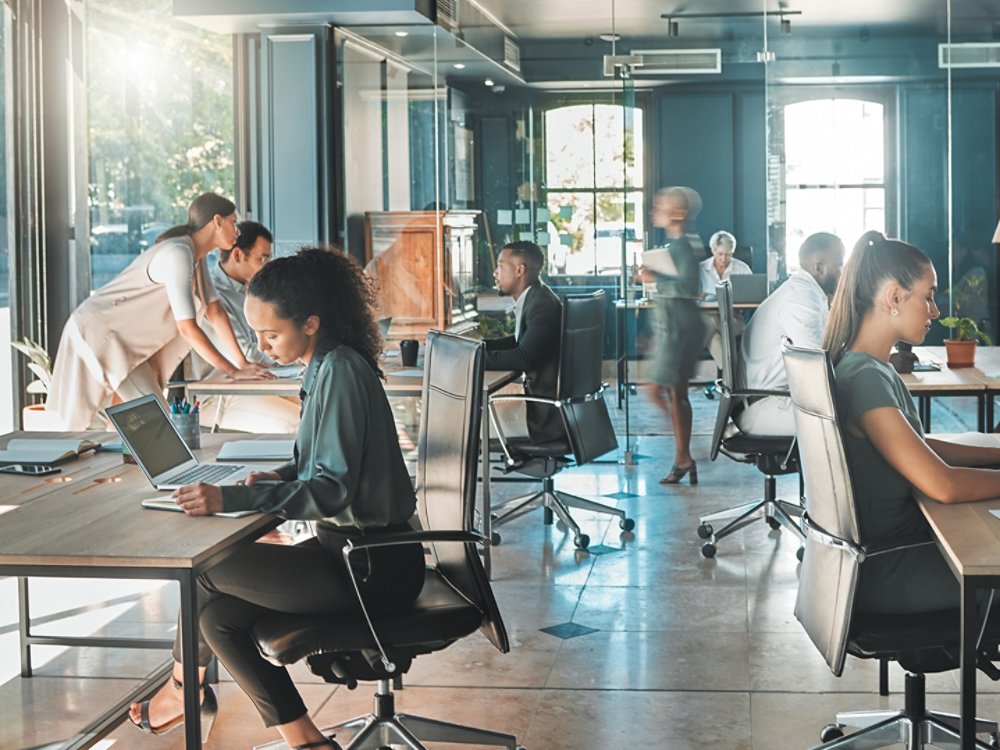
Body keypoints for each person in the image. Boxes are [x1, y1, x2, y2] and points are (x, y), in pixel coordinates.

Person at [128, 247, 423, 750]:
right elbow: (325, 463)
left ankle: (182, 692)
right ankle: (305, 740)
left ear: (310, 322)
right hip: (352, 553)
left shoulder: (341, 372)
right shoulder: (328, 363)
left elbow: (332, 488)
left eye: (271, 334)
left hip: (373, 566)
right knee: (218, 618)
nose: (262, 348)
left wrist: (232, 500)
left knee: (199, 571)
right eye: (256, 334)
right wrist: (278, 475)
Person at [823, 230, 1000, 614]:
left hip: (901, 553)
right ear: (894, 297)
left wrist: (994, 454)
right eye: (929, 295)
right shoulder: (864, 377)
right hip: (895, 568)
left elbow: (918, 446)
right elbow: (942, 485)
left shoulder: (868, 366)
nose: (935, 311)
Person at [48, 193, 271, 431]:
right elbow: (187, 328)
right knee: (156, 425)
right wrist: (232, 371)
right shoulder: (178, 253)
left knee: (133, 425)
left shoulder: (196, 256)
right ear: (217, 221)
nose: (237, 230)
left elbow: (214, 310)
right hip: (103, 335)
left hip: (125, 343)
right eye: (233, 222)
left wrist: (241, 364)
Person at [736, 232, 845, 436]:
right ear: (819, 268)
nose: (844, 273)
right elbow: (818, 365)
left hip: (777, 398)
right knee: (857, 419)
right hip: (764, 406)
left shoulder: (809, 293)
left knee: (862, 411)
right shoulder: (802, 297)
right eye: (840, 266)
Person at [196, 220, 300, 432]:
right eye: (262, 259)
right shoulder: (215, 297)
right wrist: (296, 355)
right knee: (298, 424)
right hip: (222, 393)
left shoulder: (250, 291)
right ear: (237, 255)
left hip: (257, 381)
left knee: (319, 409)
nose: (266, 266)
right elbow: (248, 354)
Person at [639, 187, 707, 485]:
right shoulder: (678, 244)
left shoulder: (683, 245)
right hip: (674, 327)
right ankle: (684, 456)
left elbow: (688, 287)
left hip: (679, 328)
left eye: (661, 206)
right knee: (672, 393)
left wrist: (655, 277)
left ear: (677, 213)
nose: (655, 209)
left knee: (658, 390)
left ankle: (687, 454)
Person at [483, 240, 564, 444]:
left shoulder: (542, 305)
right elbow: (522, 341)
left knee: (465, 420)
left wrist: (472, 358)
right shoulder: (537, 297)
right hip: (543, 408)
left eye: (501, 266)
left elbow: (523, 357)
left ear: (519, 270)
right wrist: (482, 347)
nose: (495, 273)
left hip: (542, 417)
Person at [699, 230, 752, 367]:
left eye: (728, 254)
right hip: (707, 316)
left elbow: (752, 297)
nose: (724, 259)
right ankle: (729, 379)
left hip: (733, 320)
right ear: (713, 250)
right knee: (714, 337)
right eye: (720, 254)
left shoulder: (742, 268)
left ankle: (688, 355)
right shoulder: (701, 269)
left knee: (709, 323)